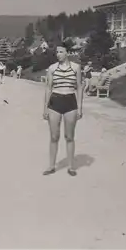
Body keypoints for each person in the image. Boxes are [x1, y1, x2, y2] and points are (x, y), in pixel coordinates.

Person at [43, 41, 83, 177]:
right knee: (54, 136)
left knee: (69, 136)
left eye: (61, 52)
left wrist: (80, 107)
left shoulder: (76, 67)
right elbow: (48, 88)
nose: (58, 55)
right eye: (57, 52)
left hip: (70, 101)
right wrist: (45, 108)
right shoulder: (52, 68)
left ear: (67, 53)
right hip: (55, 101)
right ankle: (51, 166)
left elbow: (79, 87)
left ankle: (71, 167)